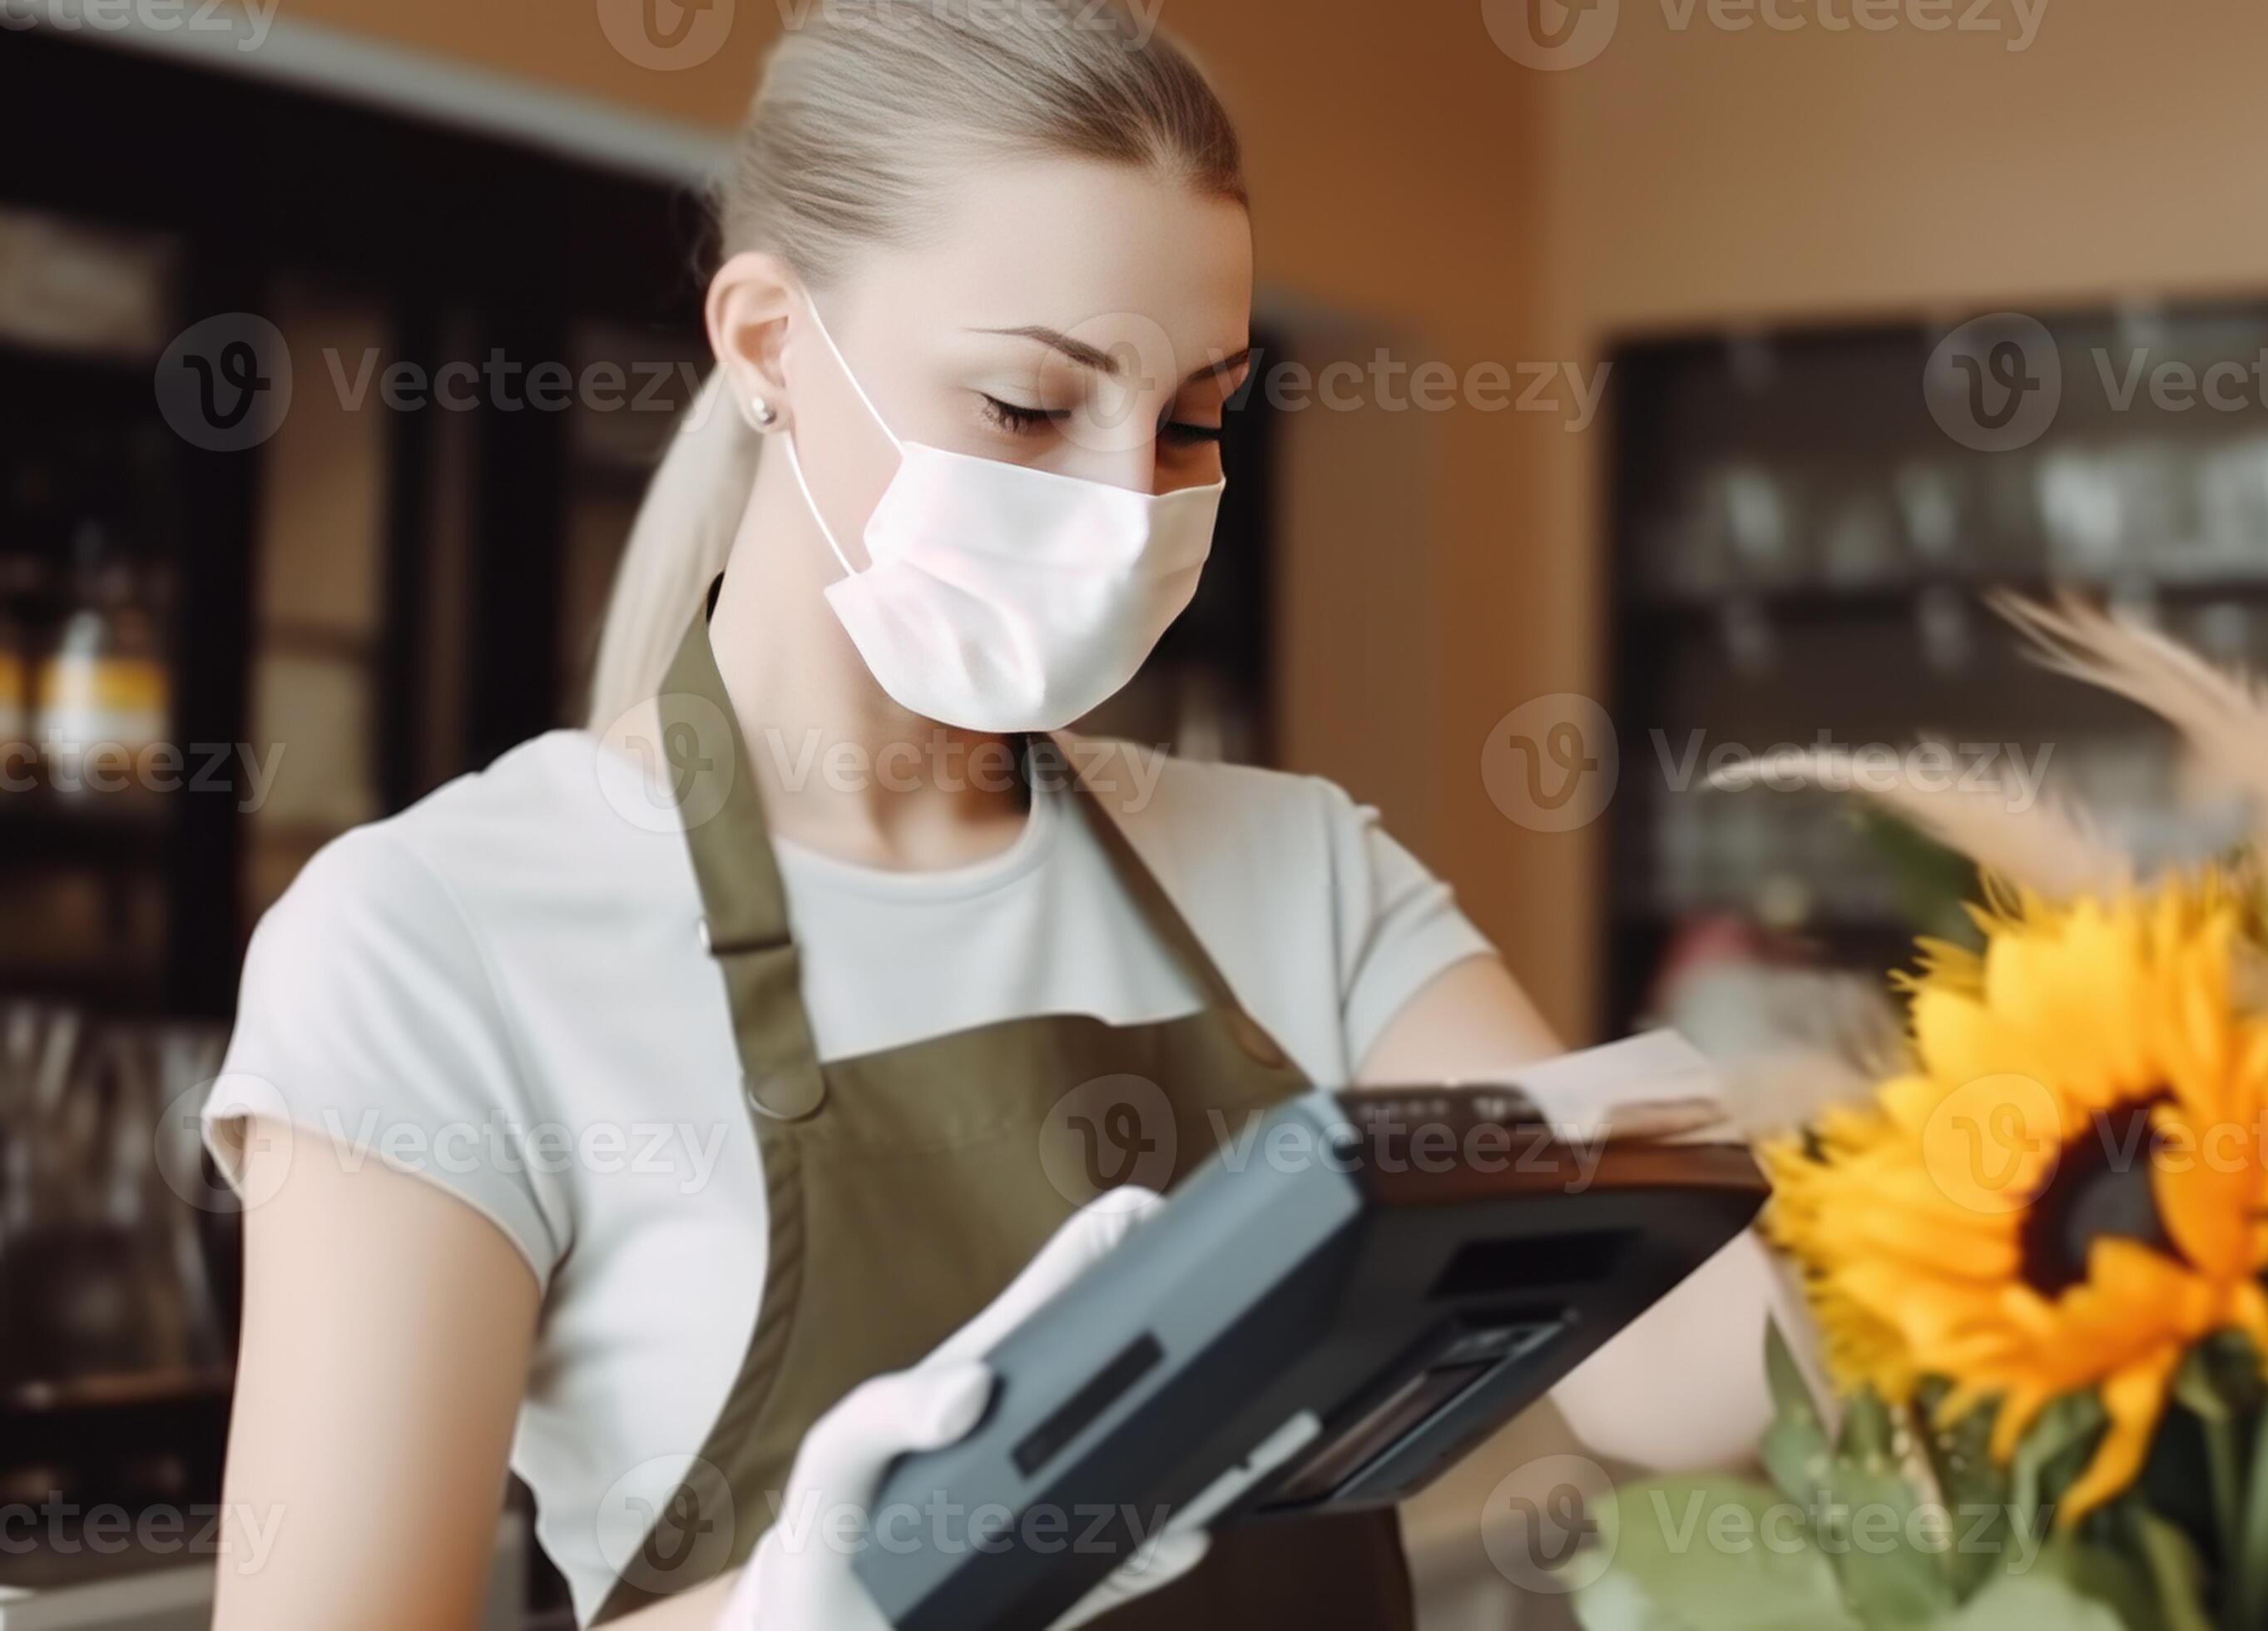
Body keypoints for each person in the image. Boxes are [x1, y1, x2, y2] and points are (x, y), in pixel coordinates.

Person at [201, 5, 1775, 1627]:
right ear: (765, 346)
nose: (1122, 504)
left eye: (1189, 420)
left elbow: (1673, 1373)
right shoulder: (435, 940)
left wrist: (1960, 1207)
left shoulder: (1296, 870)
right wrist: (810, 1609)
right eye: (1029, 408)